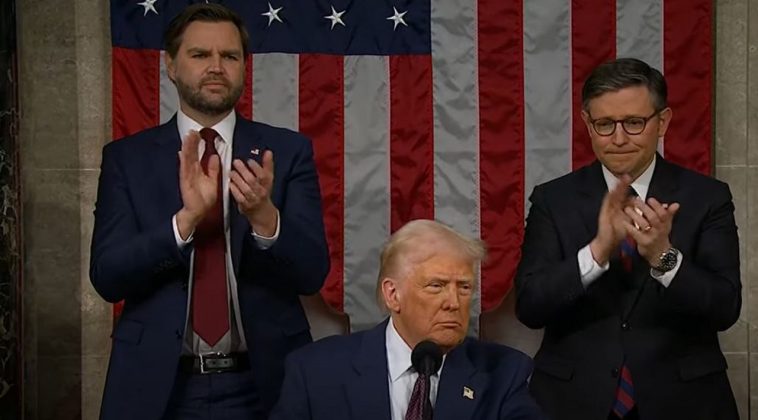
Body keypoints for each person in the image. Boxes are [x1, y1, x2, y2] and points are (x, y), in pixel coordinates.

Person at [89, 4, 329, 419]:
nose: (216, 67)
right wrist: (184, 223)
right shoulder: (126, 159)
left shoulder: (287, 152)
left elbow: (312, 273)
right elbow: (108, 277)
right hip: (157, 387)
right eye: (200, 55)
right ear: (171, 66)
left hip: (264, 384)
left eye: (229, 56)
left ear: (244, 66)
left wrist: (265, 219)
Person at [515, 57, 740, 420]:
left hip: (683, 401)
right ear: (587, 123)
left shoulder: (707, 198)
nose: (619, 139)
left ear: (662, 121)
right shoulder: (553, 200)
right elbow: (530, 306)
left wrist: (664, 257)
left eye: (634, 123)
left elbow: (725, 308)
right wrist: (596, 253)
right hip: (573, 401)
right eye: (605, 124)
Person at [270, 219, 545, 420]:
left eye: (464, 287)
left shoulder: (504, 373)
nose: (453, 302)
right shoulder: (315, 372)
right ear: (393, 294)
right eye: (436, 286)